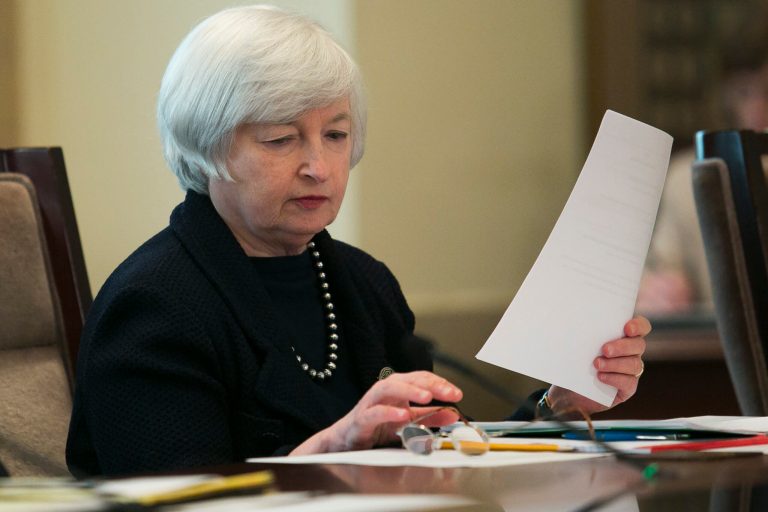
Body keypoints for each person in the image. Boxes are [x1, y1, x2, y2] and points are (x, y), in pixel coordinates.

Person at [65, 5, 650, 477]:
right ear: (206, 148)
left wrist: (560, 406)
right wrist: (336, 445)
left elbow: (450, 458)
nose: (319, 166)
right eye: (280, 139)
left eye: (337, 134)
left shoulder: (364, 284)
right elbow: (179, 501)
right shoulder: (154, 307)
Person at [637, 21, 768, 316]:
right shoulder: (691, 176)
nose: (757, 107)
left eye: (766, 91)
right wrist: (658, 290)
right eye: (744, 92)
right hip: (718, 350)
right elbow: (661, 271)